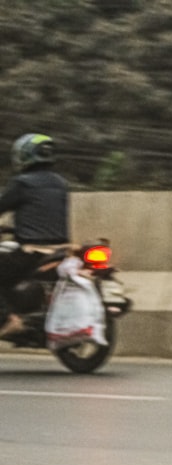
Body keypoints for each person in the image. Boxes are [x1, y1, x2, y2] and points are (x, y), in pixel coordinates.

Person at [0, 133, 70, 338]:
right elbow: (42, 214)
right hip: (61, 250)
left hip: (31, 251)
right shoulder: (60, 183)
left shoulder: (22, 183)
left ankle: (8, 319)